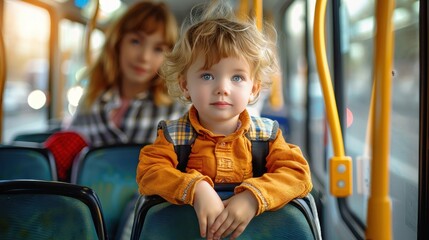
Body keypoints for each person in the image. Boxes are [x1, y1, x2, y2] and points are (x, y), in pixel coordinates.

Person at [136, 1, 312, 240]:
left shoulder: (266, 136)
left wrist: (252, 197)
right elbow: (149, 172)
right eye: (207, 75)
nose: (222, 88)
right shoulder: (173, 136)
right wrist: (196, 189)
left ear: (254, 89)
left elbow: (297, 174)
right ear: (185, 85)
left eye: (237, 77)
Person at [66, 1, 187, 147]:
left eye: (158, 49)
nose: (144, 57)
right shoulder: (90, 101)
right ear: (118, 43)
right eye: (135, 41)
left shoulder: (178, 111)